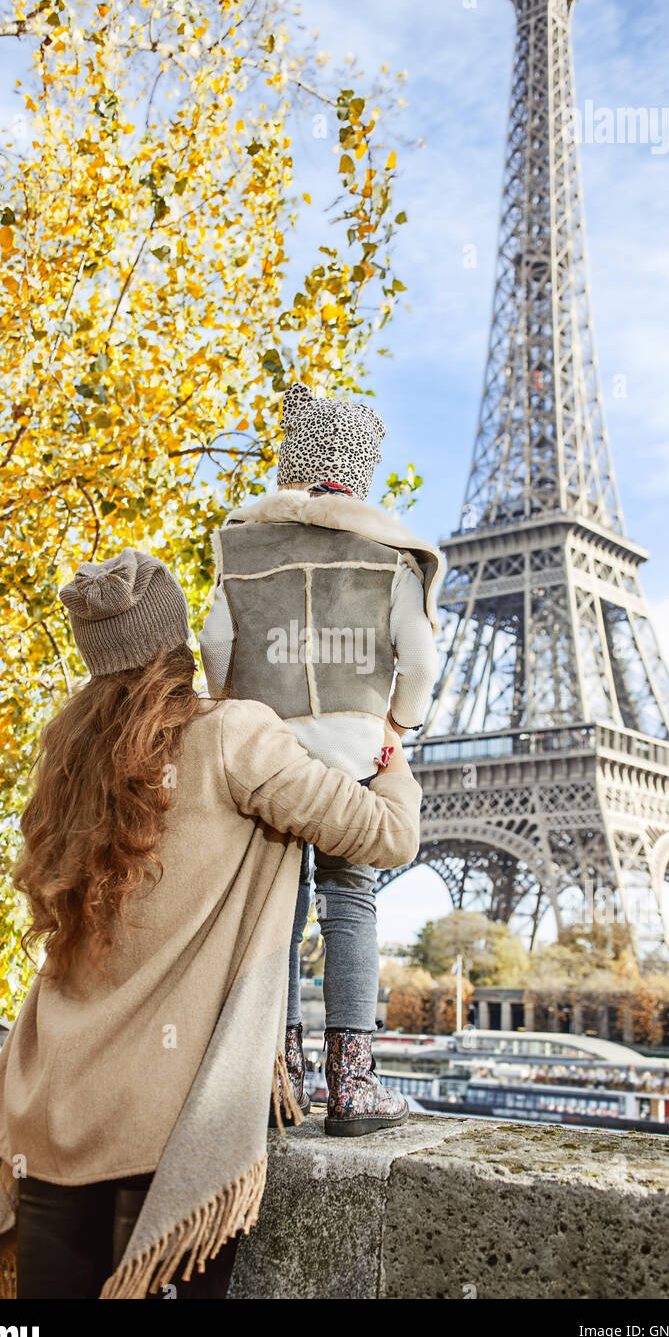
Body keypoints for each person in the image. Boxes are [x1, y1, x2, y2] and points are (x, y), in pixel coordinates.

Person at [0, 548, 421, 1299]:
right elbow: (384, 835)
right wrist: (394, 766)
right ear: (179, 642)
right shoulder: (235, 736)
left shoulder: (72, 757)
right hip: (165, 1128)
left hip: (49, 1108)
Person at [200, 381, 443, 1136]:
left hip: (269, 759)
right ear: (360, 468)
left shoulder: (241, 545)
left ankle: (278, 1074)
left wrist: (233, 709)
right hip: (356, 757)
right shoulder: (387, 556)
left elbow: (213, 644)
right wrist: (397, 723)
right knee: (354, 903)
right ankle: (355, 1087)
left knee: (280, 903)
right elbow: (422, 661)